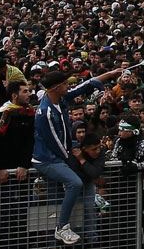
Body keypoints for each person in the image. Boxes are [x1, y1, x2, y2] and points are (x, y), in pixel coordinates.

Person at [34, 66, 125, 245]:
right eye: (65, 84)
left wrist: (110, 74)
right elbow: (54, 142)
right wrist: (73, 157)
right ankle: (62, 227)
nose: (68, 86)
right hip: (47, 159)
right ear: (55, 87)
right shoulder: (46, 112)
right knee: (75, 182)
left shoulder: (60, 99)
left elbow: (85, 85)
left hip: (60, 157)